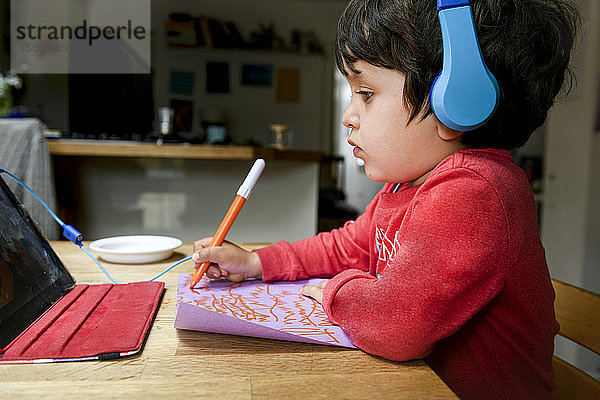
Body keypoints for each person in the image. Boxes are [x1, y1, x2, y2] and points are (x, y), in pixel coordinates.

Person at [191, 0, 579, 398]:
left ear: (458, 102)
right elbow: (348, 246)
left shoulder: (474, 192)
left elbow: (396, 327)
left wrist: (332, 291)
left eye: (366, 93)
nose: (348, 116)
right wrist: (257, 261)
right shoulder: (407, 185)